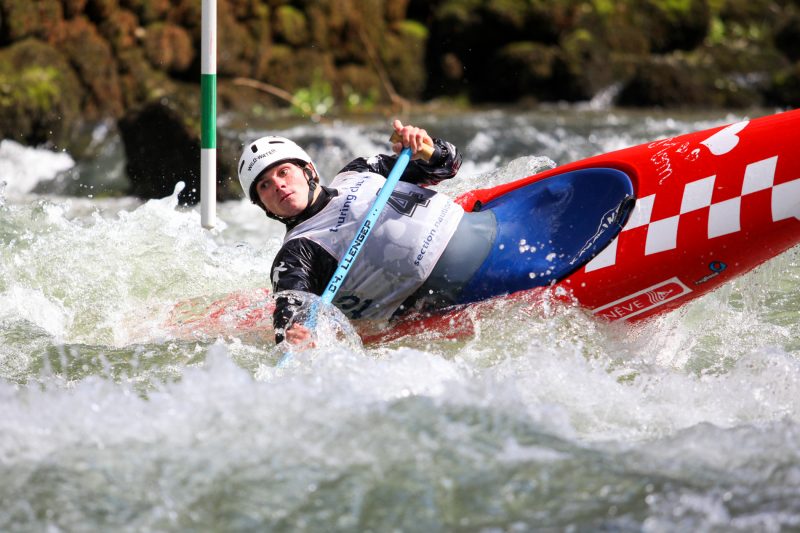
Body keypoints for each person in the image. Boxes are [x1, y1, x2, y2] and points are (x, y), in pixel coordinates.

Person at [237, 119, 497, 345]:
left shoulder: (360, 169)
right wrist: (296, 336)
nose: (279, 185)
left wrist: (425, 148)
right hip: (448, 296)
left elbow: (448, 165)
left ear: (309, 171)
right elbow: (291, 316)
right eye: (265, 186)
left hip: (485, 230)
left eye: (284, 172)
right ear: (263, 206)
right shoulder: (296, 253)